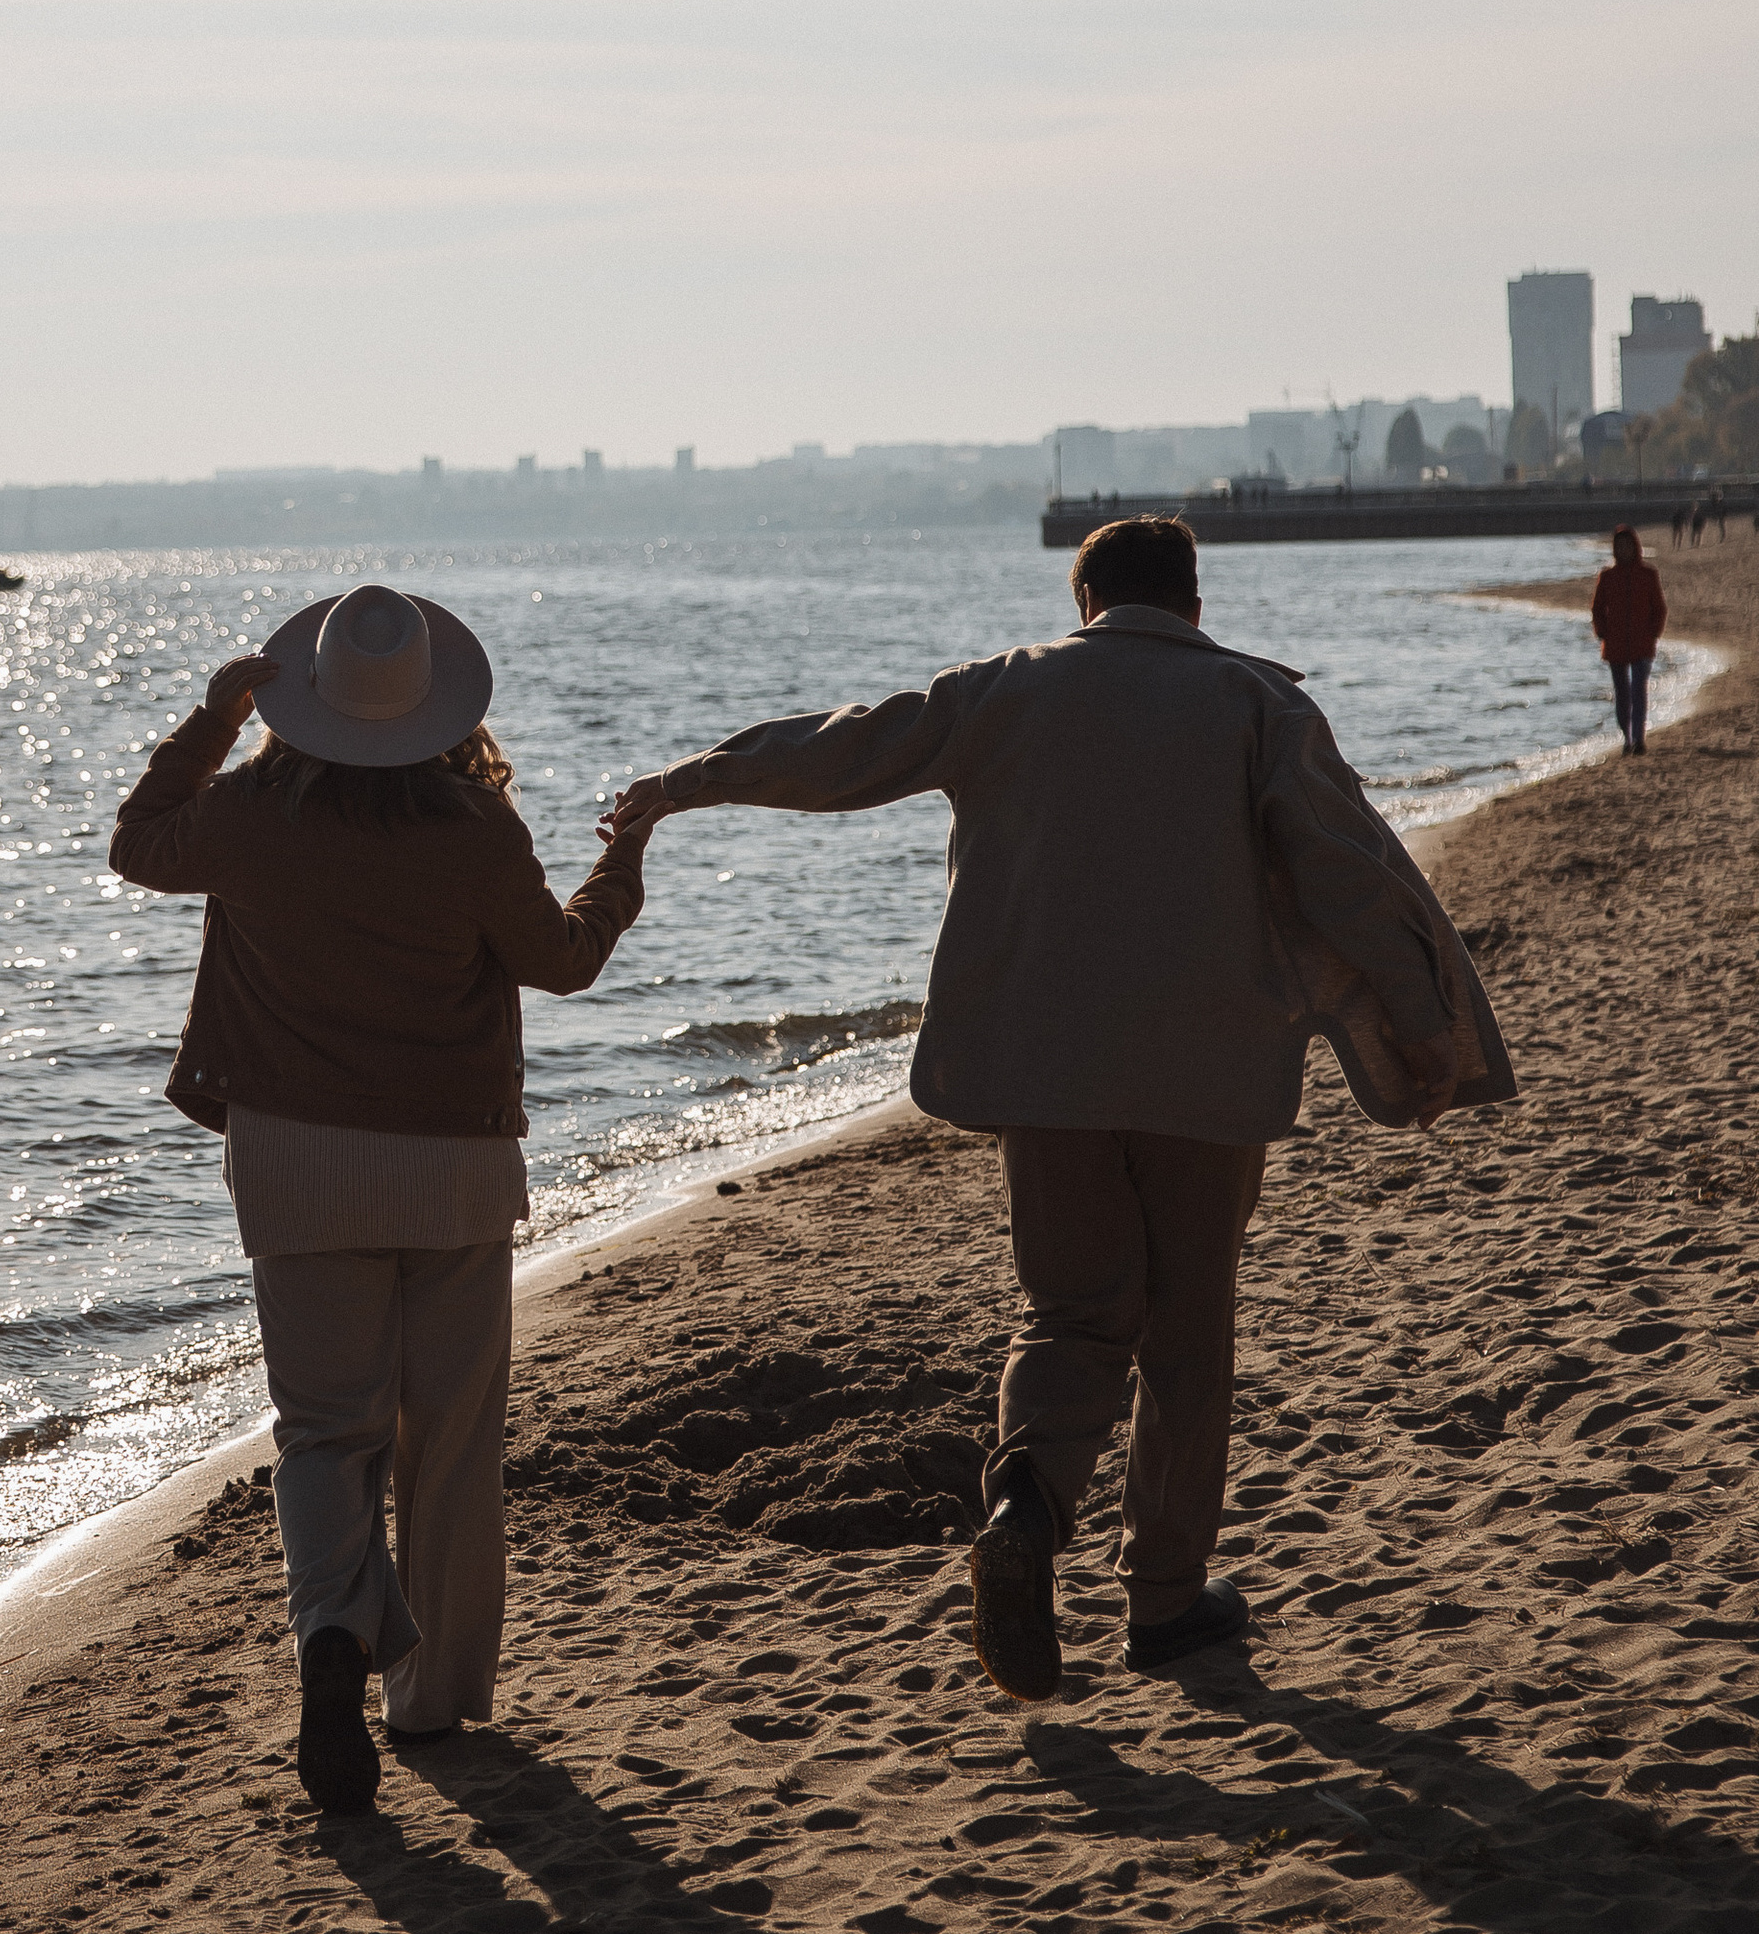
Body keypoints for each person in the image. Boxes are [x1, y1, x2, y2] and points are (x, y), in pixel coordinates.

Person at [609, 515, 1514, 1706]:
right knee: (1187, 1332)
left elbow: (841, 751)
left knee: (1073, 1311)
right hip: (1211, 1071)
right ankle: (1165, 1601)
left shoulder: (1003, 692)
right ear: (1192, 601)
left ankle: (1025, 1506)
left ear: (1083, 598)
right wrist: (1422, 1025)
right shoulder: (1259, 706)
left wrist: (683, 785)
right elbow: (1346, 869)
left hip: (1044, 1070)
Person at [111, 582, 652, 1815]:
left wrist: (209, 721)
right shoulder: (473, 827)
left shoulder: (245, 813)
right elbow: (562, 965)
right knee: (451, 1437)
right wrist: (619, 864)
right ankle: (437, 1699)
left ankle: (331, 1648)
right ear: (433, 709)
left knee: (325, 1432)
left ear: (299, 701)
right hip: (450, 1164)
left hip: (296, 1162)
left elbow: (137, 843)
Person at [1590, 524, 1666, 755]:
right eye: (1619, 547)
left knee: (1638, 690)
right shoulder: (1607, 577)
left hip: (1642, 643)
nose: (1624, 551)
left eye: (1627, 546)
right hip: (1615, 644)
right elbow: (1597, 609)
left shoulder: (1648, 575)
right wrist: (1602, 631)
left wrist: (1653, 633)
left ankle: (1639, 739)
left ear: (1635, 547)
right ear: (1614, 550)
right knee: (1622, 694)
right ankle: (1627, 738)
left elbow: (1659, 609)